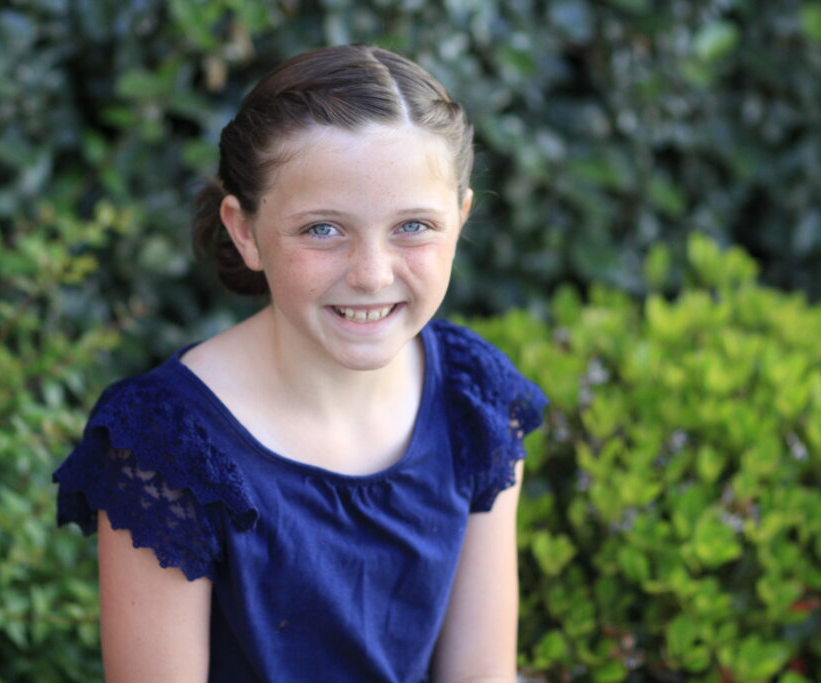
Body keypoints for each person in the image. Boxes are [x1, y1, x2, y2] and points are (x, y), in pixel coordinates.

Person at [53, 44, 548, 682]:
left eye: (414, 226)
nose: (372, 274)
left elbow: (481, 674)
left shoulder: (472, 397)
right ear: (245, 231)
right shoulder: (166, 445)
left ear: (461, 219)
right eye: (322, 229)